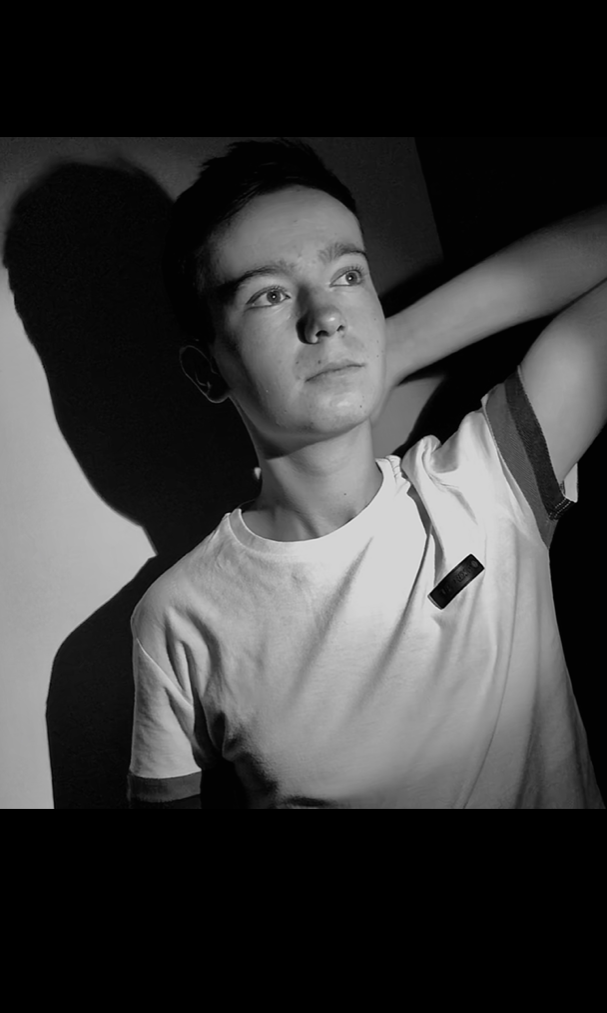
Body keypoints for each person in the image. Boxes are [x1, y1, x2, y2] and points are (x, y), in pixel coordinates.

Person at [128, 138, 607, 809]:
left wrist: (398, 345)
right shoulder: (179, 619)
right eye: (268, 295)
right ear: (207, 371)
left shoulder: (487, 482)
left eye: (348, 276)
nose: (326, 316)